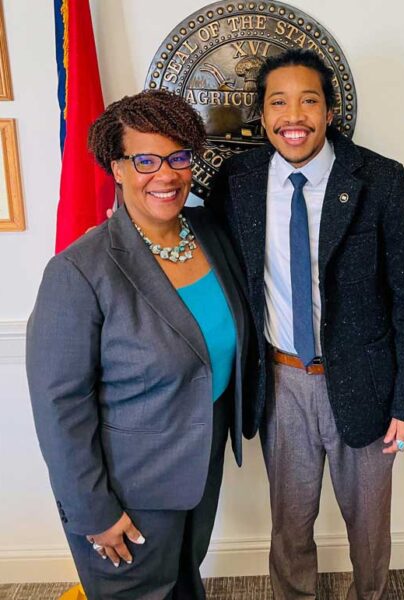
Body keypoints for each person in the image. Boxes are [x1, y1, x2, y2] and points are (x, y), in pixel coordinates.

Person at [206, 49, 404, 600]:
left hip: (366, 383)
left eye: (308, 101)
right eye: (278, 102)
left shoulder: (380, 179)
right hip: (281, 383)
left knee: (369, 529)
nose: (294, 115)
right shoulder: (238, 183)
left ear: (329, 111)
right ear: (261, 116)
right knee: (289, 525)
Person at [26, 90, 249, 600]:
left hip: (200, 466)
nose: (165, 175)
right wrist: (93, 511)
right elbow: (59, 407)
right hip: (129, 490)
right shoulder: (79, 271)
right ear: (117, 166)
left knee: (185, 584)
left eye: (178, 157)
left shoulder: (210, 234)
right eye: (145, 160)